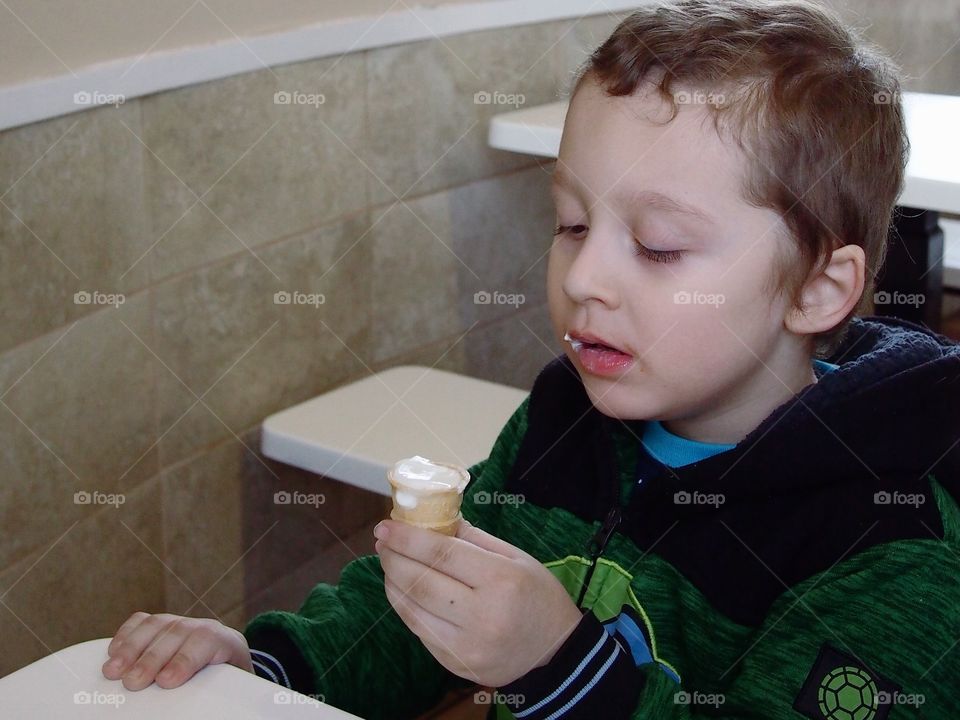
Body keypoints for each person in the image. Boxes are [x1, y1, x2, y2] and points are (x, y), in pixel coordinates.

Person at [102, 1, 960, 717]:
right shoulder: (563, 420)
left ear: (815, 290)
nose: (583, 277)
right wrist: (270, 667)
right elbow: (430, 604)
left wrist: (560, 665)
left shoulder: (896, 544)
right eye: (573, 224)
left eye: (658, 247)